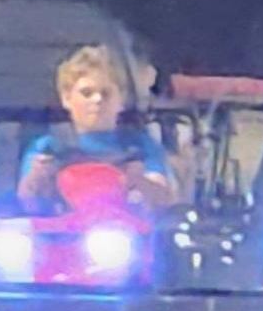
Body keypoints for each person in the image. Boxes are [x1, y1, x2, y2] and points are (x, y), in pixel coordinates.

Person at [16, 45, 174, 214]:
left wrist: (140, 181)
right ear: (66, 98)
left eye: (106, 93)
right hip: (64, 228)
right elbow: (28, 205)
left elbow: (164, 200)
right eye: (87, 93)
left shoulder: (142, 147)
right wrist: (37, 179)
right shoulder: (47, 148)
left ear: (121, 99)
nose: (97, 99)